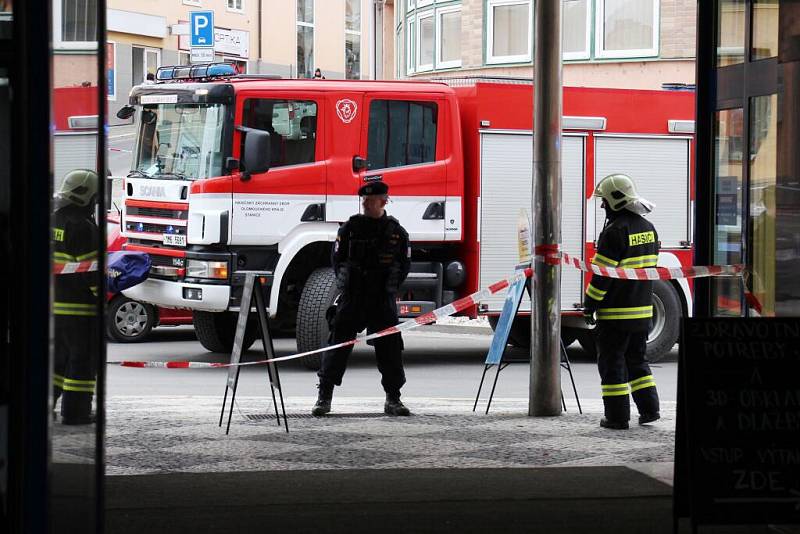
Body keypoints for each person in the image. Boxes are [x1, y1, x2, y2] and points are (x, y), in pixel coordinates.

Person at [312, 181, 411, 416]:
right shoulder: (350, 228)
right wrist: (347, 284)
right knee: (338, 345)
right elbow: (337, 261)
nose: (365, 203)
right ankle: (323, 397)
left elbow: (404, 265)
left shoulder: (397, 232)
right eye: (364, 200)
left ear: (384, 201)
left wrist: (389, 287)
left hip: (381, 299)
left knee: (390, 349)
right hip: (353, 297)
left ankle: (393, 399)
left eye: (371, 199)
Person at [583, 173, 660, 430]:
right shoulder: (648, 229)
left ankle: (617, 418)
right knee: (637, 361)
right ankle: (650, 410)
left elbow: (602, 278)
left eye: (604, 201)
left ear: (616, 200)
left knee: (612, 364)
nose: (603, 206)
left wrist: (589, 306)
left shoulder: (614, 232)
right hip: (642, 313)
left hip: (616, 315)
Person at [52, 169, 100, 425]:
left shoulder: (53, 220)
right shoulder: (83, 227)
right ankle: (76, 412)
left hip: (52, 309)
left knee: (56, 363)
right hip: (80, 312)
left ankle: (45, 405)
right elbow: (91, 272)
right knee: (80, 364)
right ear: (88, 197)